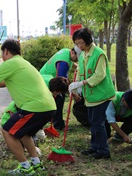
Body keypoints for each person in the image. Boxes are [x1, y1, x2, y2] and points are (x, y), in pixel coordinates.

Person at [0, 39, 57, 175]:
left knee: (8, 131)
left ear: (6, 51)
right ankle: (36, 164)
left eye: (2, 53)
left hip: (34, 107)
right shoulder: (23, 63)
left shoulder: (10, 63)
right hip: (48, 107)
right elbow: (2, 83)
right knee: (23, 133)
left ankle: (25, 167)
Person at [69, 27, 116, 159]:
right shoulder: (83, 54)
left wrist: (82, 83)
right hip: (90, 95)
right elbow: (80, 71)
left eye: (81, 43)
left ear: (88, 40)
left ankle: (103, 150)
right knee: (92, 121)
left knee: (97, 123)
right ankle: (94, 146)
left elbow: (99, 75)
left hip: (101, 94)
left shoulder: (99, 53)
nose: (79, 46)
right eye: (77, 43)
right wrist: (76, 85)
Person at [39, 46, 81, 130]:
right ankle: (58, 125)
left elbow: (72, 63)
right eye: (77, 58)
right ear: (73, 52)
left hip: (46, 77)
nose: (77, 60)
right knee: (59, 98)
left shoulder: (66, 52)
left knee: (58, 98)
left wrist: (78, 67)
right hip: (48, 82)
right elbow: (63, 83)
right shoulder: (64, 63)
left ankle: (54, 120)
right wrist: (73, 95)